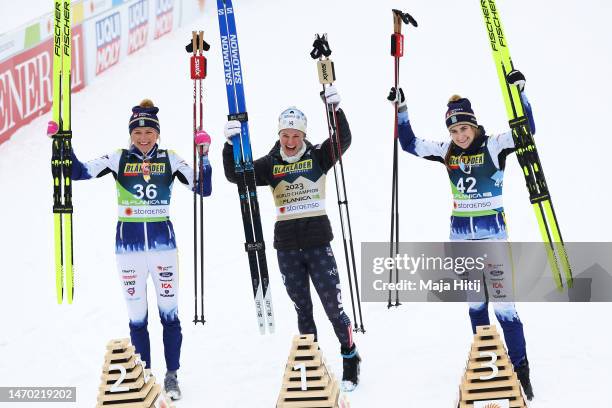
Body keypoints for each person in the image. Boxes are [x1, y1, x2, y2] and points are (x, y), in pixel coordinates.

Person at [52, 99, 212, 400]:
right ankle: (145, 376)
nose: (143, 138)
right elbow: (78, 172)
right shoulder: (119, 158)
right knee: (137, 317)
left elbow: (203, 188)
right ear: (131, 134)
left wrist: (204, 156)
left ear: (157, 133)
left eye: (149, 132)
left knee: (169, 315)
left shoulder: (170, 159)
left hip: (164, 248)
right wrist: (62, 142)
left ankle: (172, 375)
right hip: (129, 249)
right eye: (137, 133)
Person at [392, 71, 534, 400]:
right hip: (462, 239)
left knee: (505, 308)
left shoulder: (495, 145)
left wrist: (520, 96)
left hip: (492, 239)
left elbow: (527, 132)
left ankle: (521, 370)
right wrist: (402, 110)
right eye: (454, 130)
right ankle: (485, 361)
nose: (459, 135)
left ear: (475, 125)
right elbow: (410, 144)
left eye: (464, 128)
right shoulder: (446, 152)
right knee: (475, 304)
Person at [221, 86, 361, 391]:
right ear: (280, 134)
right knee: (303, 309)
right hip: (286, 247)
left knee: (332, 307)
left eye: (296, 135)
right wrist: (230, 144)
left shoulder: (319, 157)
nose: (290, 141)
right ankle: (312, 363)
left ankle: (350, 358)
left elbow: (342, 140)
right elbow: (236, 175)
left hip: (318, 244)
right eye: (286, 135)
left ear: (303, 135)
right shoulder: (270, 164)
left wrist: (336, 111)